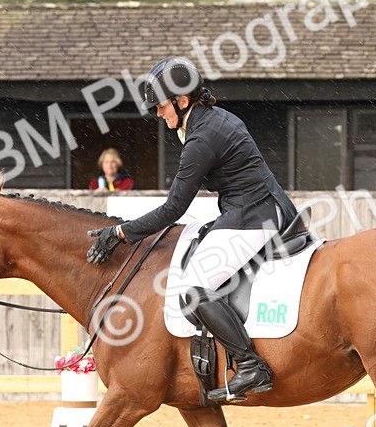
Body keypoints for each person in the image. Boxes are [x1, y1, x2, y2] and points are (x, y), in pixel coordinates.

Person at [86, 57, 297, 402]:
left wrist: (121, 233)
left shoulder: (202, 138)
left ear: (182, 101)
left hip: (254, 215)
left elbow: (173, 209)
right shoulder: (210, 121)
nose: (157, 113)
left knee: (196, 288)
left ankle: (249, 364)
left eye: (161, 106)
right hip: (250, 209)